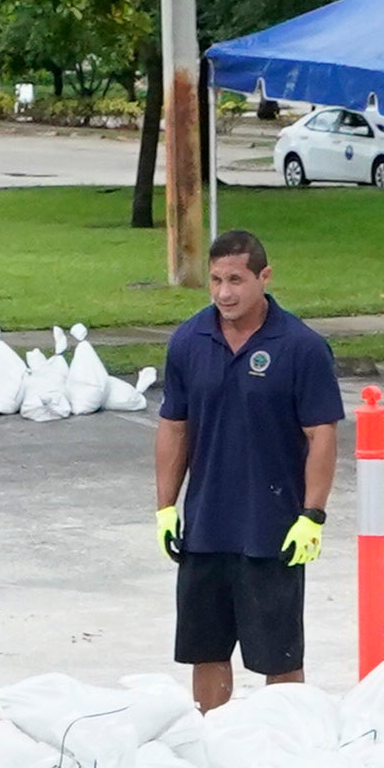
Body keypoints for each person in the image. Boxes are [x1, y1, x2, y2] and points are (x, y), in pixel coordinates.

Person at [152, 230, 341, 712]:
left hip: (271, 529)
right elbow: (174, 428)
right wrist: (166, 508)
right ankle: (211, 740)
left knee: (278, 655)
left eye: (235, 279)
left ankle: (286, 746)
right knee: (206, 650)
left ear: (264, 276)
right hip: (206, 527)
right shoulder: (189, 341)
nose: (224, 293)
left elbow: (322, 434)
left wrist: (312, 515)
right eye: (215, 280)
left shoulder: (302, 347)